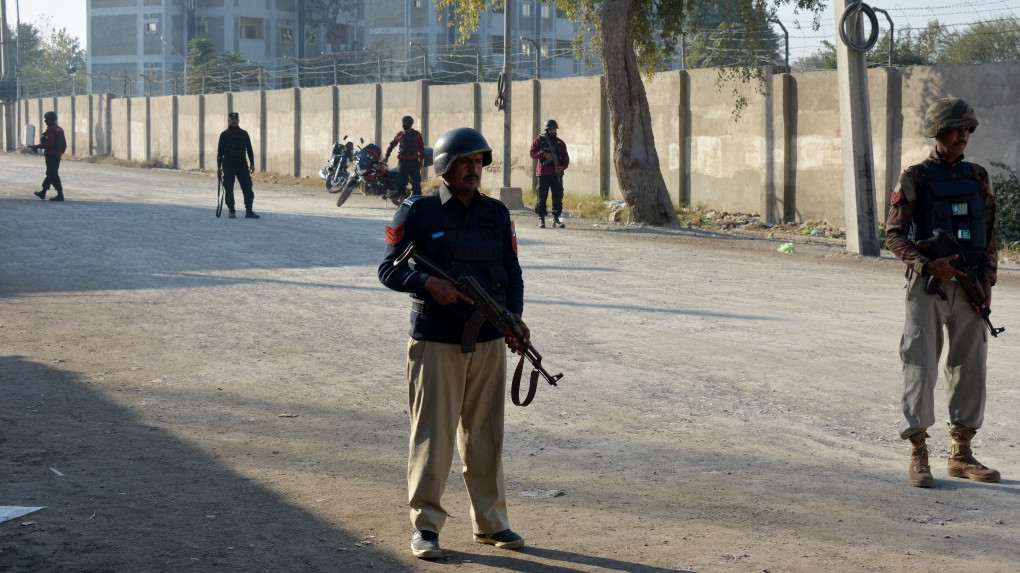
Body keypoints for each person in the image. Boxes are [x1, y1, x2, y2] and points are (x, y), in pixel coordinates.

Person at [378, 127, 529, 559]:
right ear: (445, 167)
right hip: (436, 341)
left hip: (487, 341)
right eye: (465, 162)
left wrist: (513, 320)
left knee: (486, 436)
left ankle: (492, 523)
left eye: (479, 162)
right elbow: (388, 269)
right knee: (433, 437)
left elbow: (513, 274)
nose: (474, 169)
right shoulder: (418, 212)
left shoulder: (497, 214)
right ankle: (425, 528)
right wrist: (427, 283)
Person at [885, 97, 1000, 488]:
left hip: (969, 286)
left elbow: (989, 236)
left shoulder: (979, 177)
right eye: (957, 128)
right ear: (940, 132)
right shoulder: (914, 178)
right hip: (929, 287)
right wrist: (926, 265)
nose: (964, 134)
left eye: (968, 128)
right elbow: (895, 235)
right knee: (920, 365)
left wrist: (986, 282)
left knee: (970, 367)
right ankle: (918, 451)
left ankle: (961, 453)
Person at [217, 112, 259, 219]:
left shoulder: (244, 134)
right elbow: (220, 152)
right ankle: (231, 210)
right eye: (232, 119)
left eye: (236, 119)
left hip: (242, 164)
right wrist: (219, 167)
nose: (234, 121)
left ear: (238, 120)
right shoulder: (224, 135)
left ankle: (249, 211)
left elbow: (249, 149)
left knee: (247, 187)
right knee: (229, 187)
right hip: (228, 164)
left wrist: (252, 163)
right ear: (228, 121)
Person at [528, 118, 569, 228]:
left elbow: (566, 158)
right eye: (550, 129)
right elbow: (532, 153)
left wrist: (562, 167)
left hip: (556, 174)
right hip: (543, 173)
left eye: (554, 129)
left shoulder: (560, 143)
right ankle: (541, 218)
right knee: (542, 196)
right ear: (547, 129)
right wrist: (543, 154)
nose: (552, 131)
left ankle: (556, 219)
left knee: (558, 196)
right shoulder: (539, 140)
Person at [383, 115, 425, 196]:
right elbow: (391, 145)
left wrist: (421, 161)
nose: (404, 125)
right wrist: (386, 156)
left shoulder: (417, 134)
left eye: (406, 123)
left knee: (416, 182)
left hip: (414, 162)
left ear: (410, 124)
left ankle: (417, 198)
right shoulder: (400, 134)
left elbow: (421, 148)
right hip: (403, 162)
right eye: (403, 123)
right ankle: (402, 199)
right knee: (401, 182)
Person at [31, 111, 68, 201]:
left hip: (51, 155)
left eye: (46, 119)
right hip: (56, 155)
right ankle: (43, 192)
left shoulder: (51, 129)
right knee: (50, 174)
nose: (45, 121)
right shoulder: (59, 129)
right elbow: (64, 145)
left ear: (50, 120)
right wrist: (59, 153)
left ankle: (60, 194)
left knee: (53, 174)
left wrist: (37, 146)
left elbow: (49, 144)